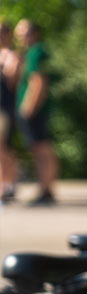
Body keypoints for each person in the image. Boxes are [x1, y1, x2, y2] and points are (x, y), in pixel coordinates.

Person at [14, 19, 57, 206]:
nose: (19, 37)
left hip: (35, 110)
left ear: (32, 33)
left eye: (22, 33)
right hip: (39, 110)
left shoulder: (36, 52)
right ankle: (46, 189)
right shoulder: (37, 51)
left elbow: (38, 81)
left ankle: (45, 190)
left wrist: (28, 108)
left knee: (41, 150)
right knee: (43, 149)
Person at [0, 22, 18, 202]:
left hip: (5, 108)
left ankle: (8, 184)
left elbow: (12, 83)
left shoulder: (12, 56)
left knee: (4, 147)